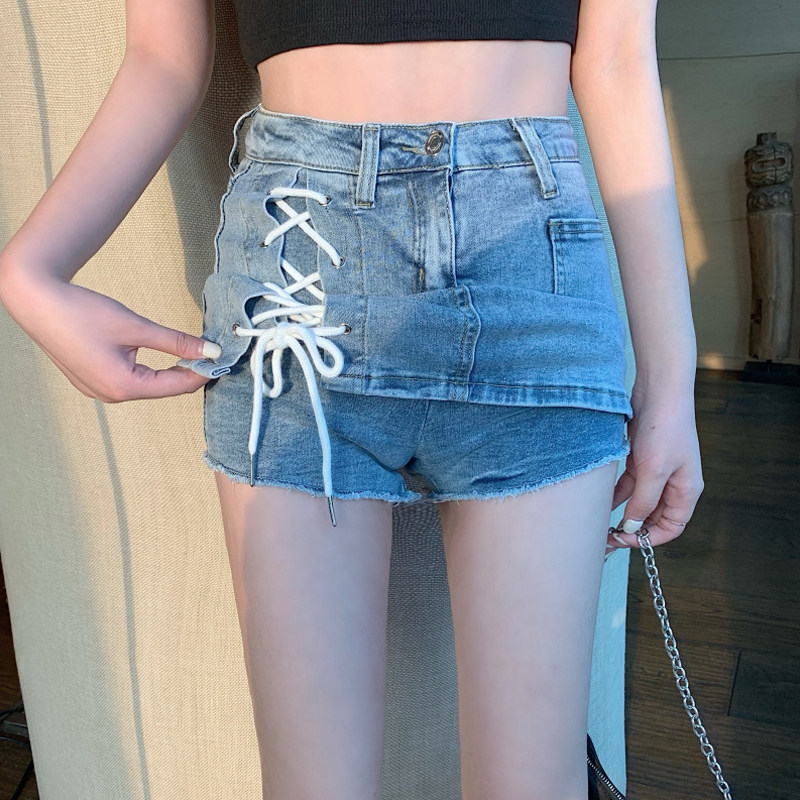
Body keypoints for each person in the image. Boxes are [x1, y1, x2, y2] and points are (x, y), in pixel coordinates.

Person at [0, 0, 704, 797]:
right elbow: (164, 56)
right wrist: (30, 268)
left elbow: (616, 59)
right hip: (295, 270)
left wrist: (670, 381)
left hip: (531, 266)